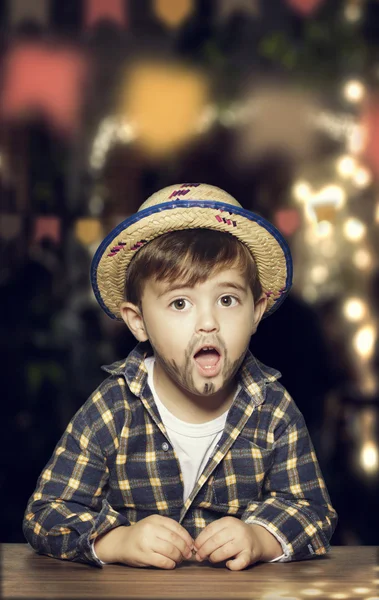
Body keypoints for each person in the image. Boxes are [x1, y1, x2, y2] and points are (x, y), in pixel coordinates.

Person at [23, 183, 337, 571]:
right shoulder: (114, 408)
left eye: (227, 300)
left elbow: (315, 513)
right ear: (138, 322)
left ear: (256, 312)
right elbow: (45, 513)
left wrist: (261, 537)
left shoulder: (273, 410)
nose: (208, 323)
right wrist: (117, 540)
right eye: (179, 303)